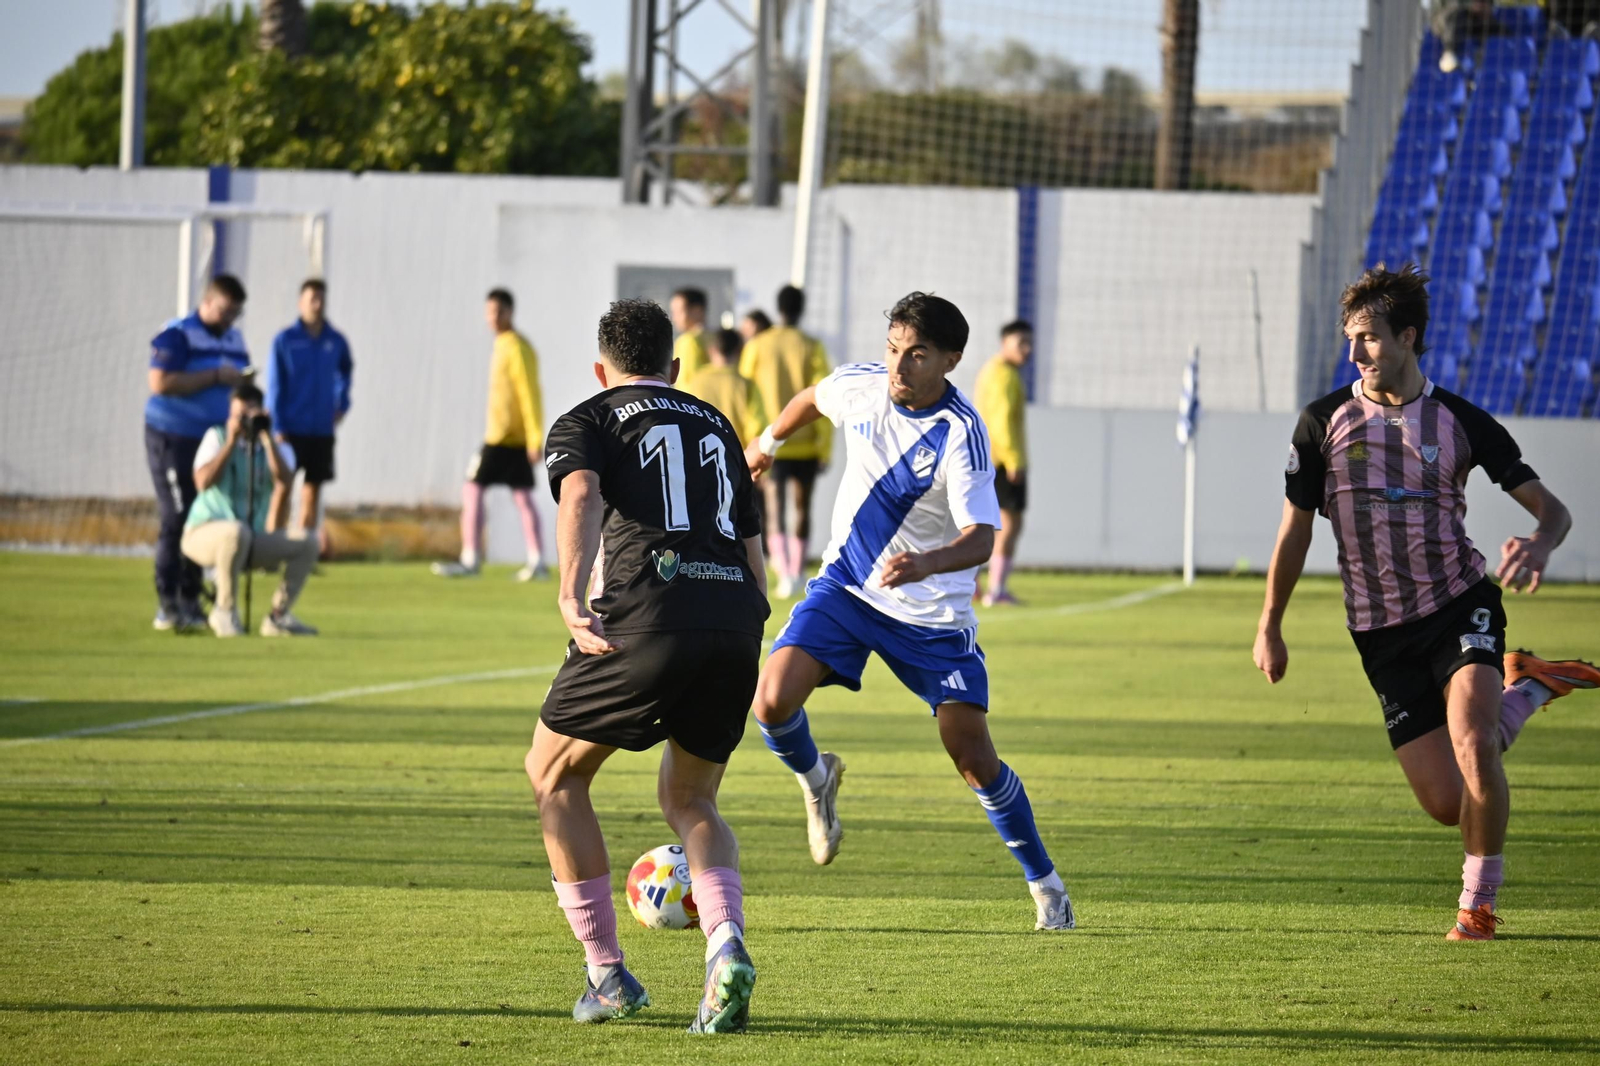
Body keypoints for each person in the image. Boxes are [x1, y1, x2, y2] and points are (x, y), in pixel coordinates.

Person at [1252, 263, 1598, 941]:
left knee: (1474, 744)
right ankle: (1526, 689)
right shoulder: (1322, 423)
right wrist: (1270, 624)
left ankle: (1478, 905)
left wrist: (1541, 541)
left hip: (1459, 605)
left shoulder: (1461, 422)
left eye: (1370, 339)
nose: (1356, 353)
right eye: (1350, 339)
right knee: (1447, 801)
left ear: (1408, 338)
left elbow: (1551, 509)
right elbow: (1295, 529)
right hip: (1379, 633)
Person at [744, 291, 1075, 932]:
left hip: (930, 615)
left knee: (972, 757)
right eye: (893, 349)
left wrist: (926, 562)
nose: (899, 367)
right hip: (849, 587)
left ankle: (1047, 887)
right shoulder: (863, 386)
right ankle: (818, 781)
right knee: (771, 699)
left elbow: (983, 536)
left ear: (950, 359)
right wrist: (766, 443)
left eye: (917, 355)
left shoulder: (962, 433)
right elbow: (812, 397)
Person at [528, 298, 769, 1032]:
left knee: (555, 774)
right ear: (675, 367)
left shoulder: (588, 418)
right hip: (736, 624)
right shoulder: (718, 423)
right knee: (693, 800)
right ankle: (724, 947)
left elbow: (580, 492)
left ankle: (605, 974)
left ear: (602, 369)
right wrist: (743, 623)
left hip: (647, 618)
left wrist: (570, 594)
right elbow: (752, 545)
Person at [144, 274, 251, 631]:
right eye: (224, 311)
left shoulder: (235, 339)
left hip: (212, 442)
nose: (229, 320)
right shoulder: (179, 332)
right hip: (173, 437)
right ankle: (168, 604)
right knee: (177, 517)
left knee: (204, 519)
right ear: (207, 302)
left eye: (235, 313)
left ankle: (191, 600)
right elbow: (160, 382)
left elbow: (239, 387)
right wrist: (215, 377)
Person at [181, 383, 320, 637]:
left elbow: (285, 483)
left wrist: (266, 438)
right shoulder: (217, 437)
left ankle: (278, 617)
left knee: (307, 543)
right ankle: (224, 610)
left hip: (250, 537)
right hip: (203, 532)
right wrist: (231, 443)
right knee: (235, 532)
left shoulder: (273, 446)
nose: (244, 422)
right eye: (238, 416)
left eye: (249, 416)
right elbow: (202, 482)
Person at [432, 288, 549, 581]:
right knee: (506, 494)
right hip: (499, 435)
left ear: (510, 312)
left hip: (509, 440)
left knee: (480, 489)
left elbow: (529, 393)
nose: (493, 318)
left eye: (499, 312)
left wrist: (535, 438)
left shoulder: (518, 348)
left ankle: (489, 560)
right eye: (489, 312)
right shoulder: (500, 344)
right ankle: (527, 561)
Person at [739, 285, 832, 598]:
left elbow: (745, 391)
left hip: (771, 440)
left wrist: (754, 439)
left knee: (774, 508)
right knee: (802, 507)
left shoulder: (758, 345)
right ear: (801, 309)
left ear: (778, 308)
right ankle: (796, 569)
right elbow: (823, 394)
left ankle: (782, 573)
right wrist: (824, 445)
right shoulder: (811, 345)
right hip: (805, 440)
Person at [266, 278, 353, 539]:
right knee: (283, 486)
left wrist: (341, 404)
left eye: (321, 299)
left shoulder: (335, 340)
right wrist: (278, 425)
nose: (317, 304)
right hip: (291, 428)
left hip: (320, 429)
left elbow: (345, 372)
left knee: (312, 491)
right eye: (312, 298)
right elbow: (275, 385)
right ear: (300, 302)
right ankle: (273, 544)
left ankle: (302, 550)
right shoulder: (285, 340)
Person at [974, 319, 1033, 606]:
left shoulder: (994, 371)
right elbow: (1001, 422)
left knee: (979, 524)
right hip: (1000, 460)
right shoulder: (1003, 375)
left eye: (1029, 343)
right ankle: (996, 590)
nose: (1028, 349)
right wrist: (1013, 460)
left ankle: (972, 586)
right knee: (1009, 523)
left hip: (987, 458)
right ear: (1004, 343)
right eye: (1021, 342)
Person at [684, 328, 765, 447]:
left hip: (700, 457)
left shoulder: (694, 382)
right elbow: (756, 428)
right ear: (739, 351)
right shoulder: (746, 384)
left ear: (711, 350)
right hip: (735, 458)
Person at [669, 286, 710, 387]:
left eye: (679, 312)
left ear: (697, 310)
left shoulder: (688, 341)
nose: (674, 318)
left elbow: (687, 383)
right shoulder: (716, 338)